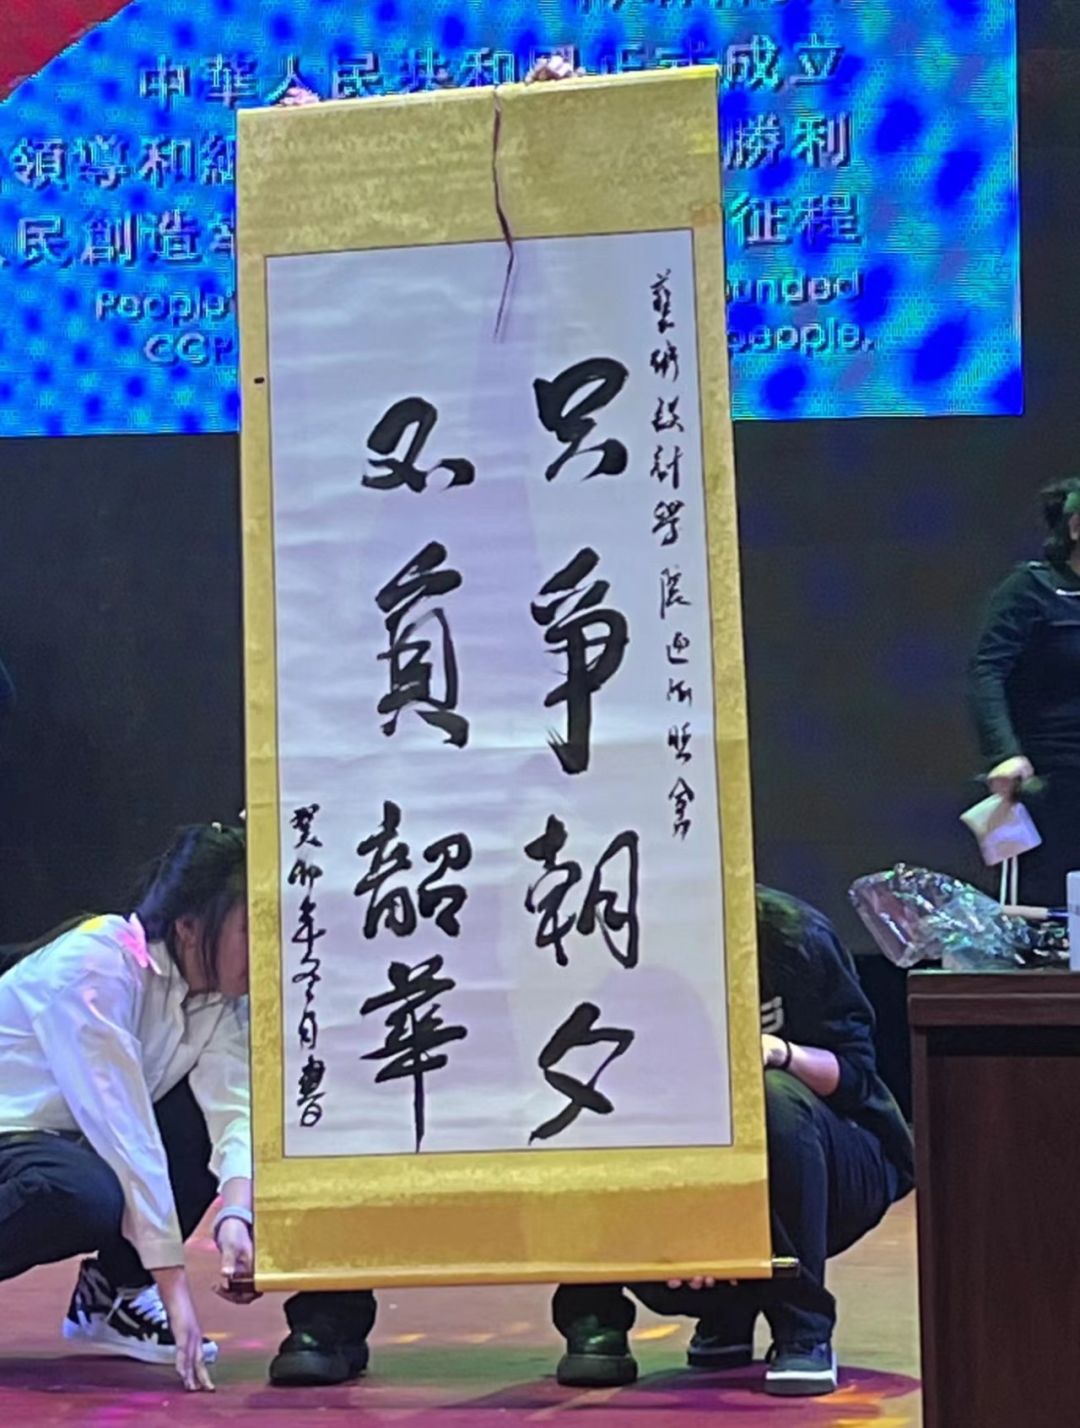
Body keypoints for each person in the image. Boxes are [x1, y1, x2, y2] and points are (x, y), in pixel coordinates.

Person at [550, 888, 914, 1398]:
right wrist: (694, 1223)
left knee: (772, 1095)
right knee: (581, 1105)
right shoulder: (610, 934)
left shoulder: (791, 933)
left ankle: (802, 1330)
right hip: (680, 1177)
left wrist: (779, 1052)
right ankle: (597, 1318)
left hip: (823, 1163)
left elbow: (854, 1077)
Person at [0, 823, 256, 1392]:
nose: (266, 948)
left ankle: (112, 1297)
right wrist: (177, 1292)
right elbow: (125, 1134)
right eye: (249, 928)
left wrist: (237, 1214)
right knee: (78, 1192)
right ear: (189, 926)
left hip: (58, 1140)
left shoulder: (215, 999)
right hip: (12, 1136)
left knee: (188, 1125)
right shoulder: (98, 964)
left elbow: (234, 1113)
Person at [970, 476, 1080, 906]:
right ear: (1076, 527)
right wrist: (1004, 752)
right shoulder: (1032, 589)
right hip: (1056, 781)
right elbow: (987, 670)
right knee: (1053, 911)